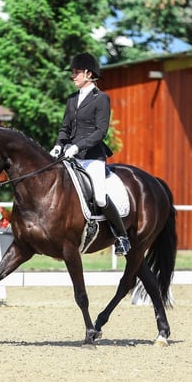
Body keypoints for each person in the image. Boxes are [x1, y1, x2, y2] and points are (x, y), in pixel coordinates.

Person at [50, 52, 131, 255]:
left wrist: (77, 146)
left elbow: (100, 131)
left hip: (92, 157)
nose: (73, 76)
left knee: (100, 197)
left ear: (88, 73)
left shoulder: (101, 98)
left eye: (76, 72)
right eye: (73, 73)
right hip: (70, 156)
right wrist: (59, 145)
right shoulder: (72, 99)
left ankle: (121, 237)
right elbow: (65, 128)